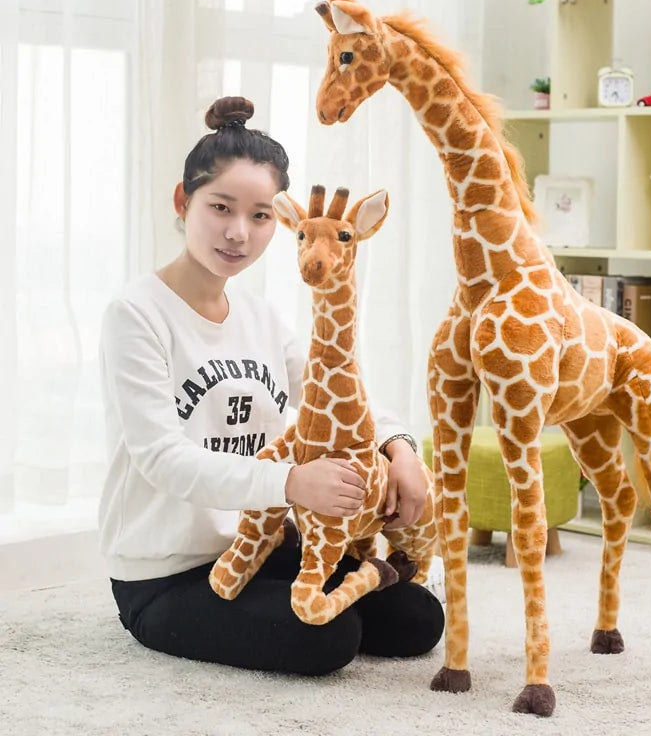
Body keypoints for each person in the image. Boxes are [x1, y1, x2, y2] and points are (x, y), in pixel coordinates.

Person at [98, 95, 444, 676]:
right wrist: (291, 482)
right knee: (330, 637)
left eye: (260, 216)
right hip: (164, 574)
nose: (239, 233)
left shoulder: (260, 315)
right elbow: (162, 459)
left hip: (259, 545)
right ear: (183, 201)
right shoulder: (136, 314)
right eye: (221, 207)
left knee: (418, 619)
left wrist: (400, 448)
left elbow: (333, 388)